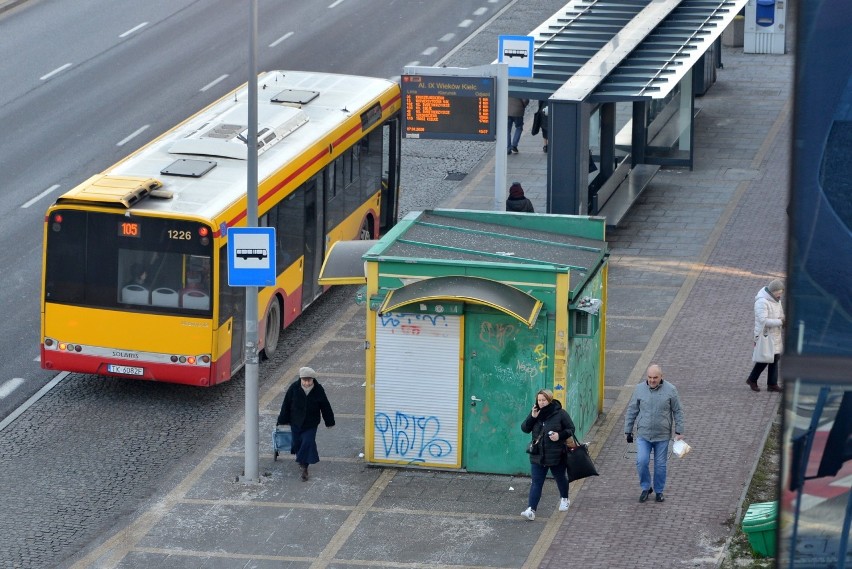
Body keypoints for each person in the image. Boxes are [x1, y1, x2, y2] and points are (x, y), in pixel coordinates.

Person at [624, 364, 684, 503]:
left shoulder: (671, 390)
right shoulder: (639, 389)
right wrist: (628, 430)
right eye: (650, 377)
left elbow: (678, 411)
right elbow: (632, 410)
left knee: (660, 465)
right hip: (644, 435)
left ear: (661, 376)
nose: (652, 380)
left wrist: (679, 430)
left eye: (655, 377)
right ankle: (646, 487)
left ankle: (659, 491)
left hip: (662, 435)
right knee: (641, 461)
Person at [520, 389, 575, 520]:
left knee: (560, 478)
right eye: (539, 400)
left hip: (556, 454)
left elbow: (571, 429)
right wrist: (532, 417)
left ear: (549, 400)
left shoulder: (560, 413)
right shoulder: (535, 413)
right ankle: (531, 510)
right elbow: (525, 429)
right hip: (538, 455)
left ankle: (564, 498)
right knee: (536, 482)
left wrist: (559, 435)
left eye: (543, 400)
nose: (541, 403)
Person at [276, 366, 335, 481]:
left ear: (313, 379)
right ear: (301, 379)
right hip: (296, 422)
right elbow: (286, 404)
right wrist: (282, 420)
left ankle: (304, 467)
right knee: (297, 443)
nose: (307, 383)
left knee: (308, 442)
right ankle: (302, 461)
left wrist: (329, 421)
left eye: (309, 380)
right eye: (305, 380)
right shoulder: (294, 388)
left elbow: (325, 406)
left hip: (311, 423)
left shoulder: (318, 390)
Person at [746, 279, 785, 393]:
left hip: (775, 334)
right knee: (765, 358)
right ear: (773, 291)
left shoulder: (777, 300)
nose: (780, 295)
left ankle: (772, 384)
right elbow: (763, 321)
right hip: (765, 335)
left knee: (774, 358)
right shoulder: (762, 302)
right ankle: (752, 379)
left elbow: (781, 314)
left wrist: (783, 319)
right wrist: (781, 322)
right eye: (779, 292)